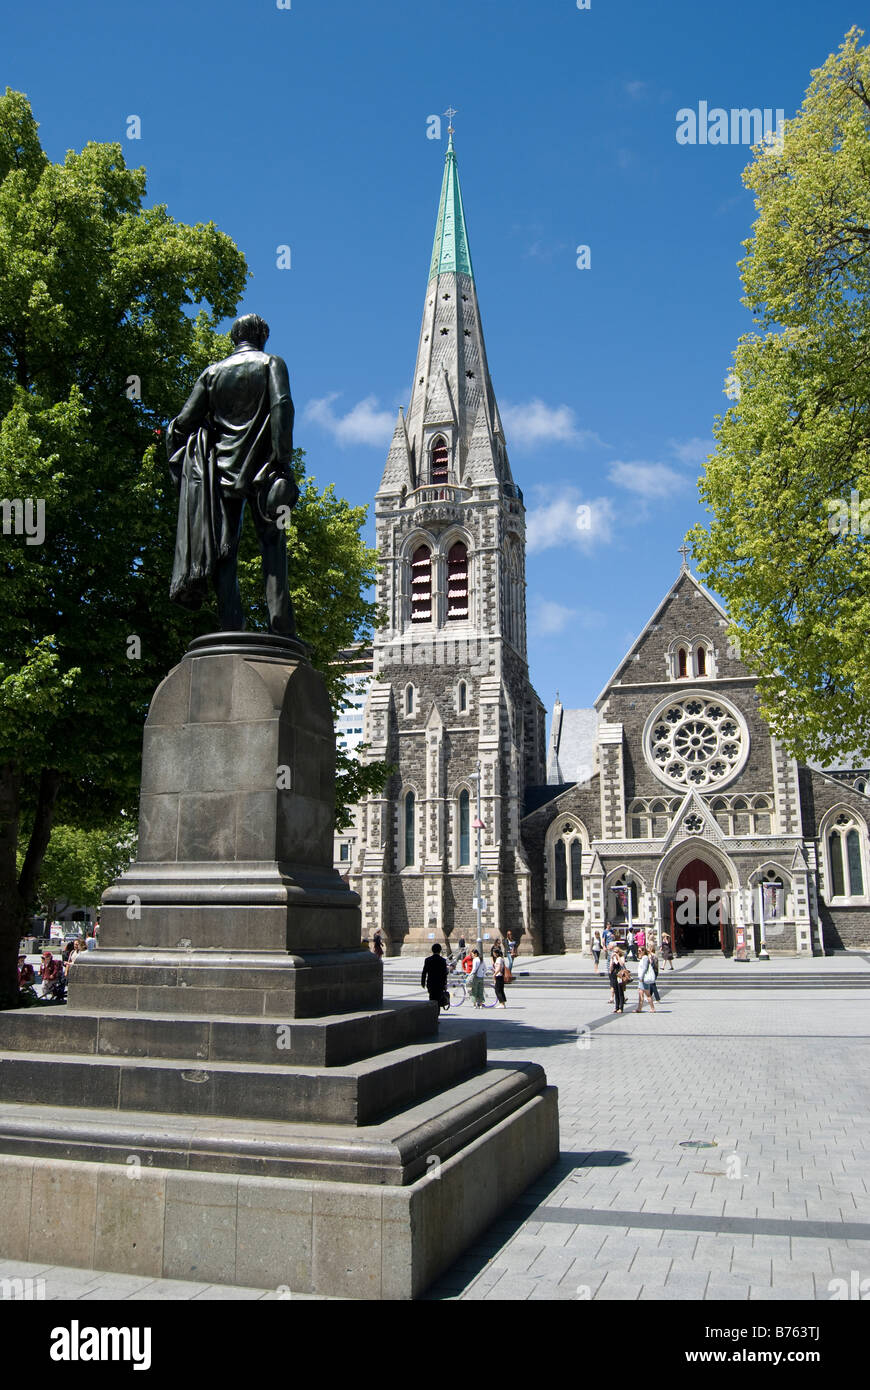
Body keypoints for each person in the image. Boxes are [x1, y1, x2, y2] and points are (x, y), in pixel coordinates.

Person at [166, 313, 300, 635]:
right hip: (265, 472)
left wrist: (182, 458)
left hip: (222, 474)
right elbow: (282, 406)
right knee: (273, 544)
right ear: (262, 337)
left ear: (234, 339)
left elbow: (182, 423)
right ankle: (280, 627)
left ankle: (231, 624)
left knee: (225, 550)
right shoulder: (272, 364)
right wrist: (283, 461)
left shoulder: (212, 374)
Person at [421, 942, 449, 1010]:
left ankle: (432, 1015)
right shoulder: (443, 960)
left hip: (431, 983)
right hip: (440, 984)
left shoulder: (428, 960)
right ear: (440, 950)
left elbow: (424, 972)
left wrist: (423, 982)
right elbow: (444, 974)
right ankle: (436, 1016)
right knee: (438, 1001)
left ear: (432, 950)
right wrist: (445, 984)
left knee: (432, 998)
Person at [609, 950, 627, 1014]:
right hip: (614, 975)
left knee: (620, 992)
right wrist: (612, 959)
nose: (615, 953)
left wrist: (617, 956)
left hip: (620, 975)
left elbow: (622, 964)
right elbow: (610, 968)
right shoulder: (613, 959)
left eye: (616, 952)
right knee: (616, 991)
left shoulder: (622, 957)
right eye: (614, 952)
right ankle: (616, 1007)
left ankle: (621, 1008)